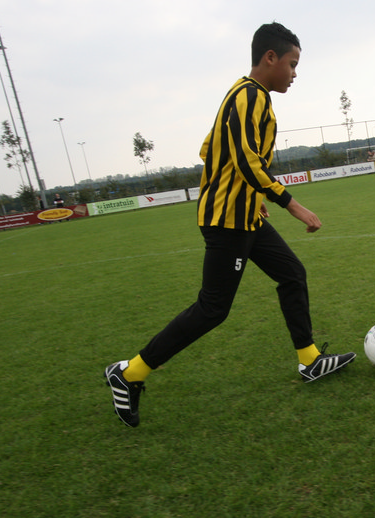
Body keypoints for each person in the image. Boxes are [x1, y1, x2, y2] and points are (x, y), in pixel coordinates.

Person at [104, 22, 356, 428]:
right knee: (212, 309)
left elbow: (210, 149)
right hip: (227, 222)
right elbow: (244, 159)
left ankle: (309, 359)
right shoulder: (248, 95)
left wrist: (252, 198)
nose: (295, 73)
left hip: (245, 217)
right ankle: (130, 372)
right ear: (270, 58)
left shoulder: (249, 97)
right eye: (292, 64)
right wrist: (290, 204)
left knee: (292, 274)